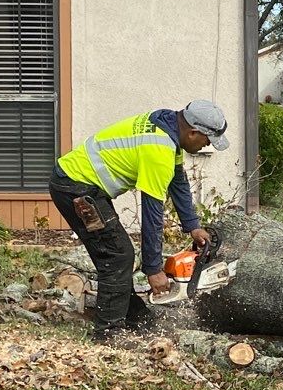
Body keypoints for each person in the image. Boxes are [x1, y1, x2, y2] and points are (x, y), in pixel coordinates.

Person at [49, 100, 229, 340]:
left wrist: (192, 226)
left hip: (82, 184)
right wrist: (153, 269)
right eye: (207, 140)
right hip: (75, 188)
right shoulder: (159, 150)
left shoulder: (167, 126)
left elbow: (178, 182)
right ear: (193, 131)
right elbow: (152, 214)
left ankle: (137, 319)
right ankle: (108, 333)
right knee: (117, 255)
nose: (208, 145)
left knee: (116, 254)